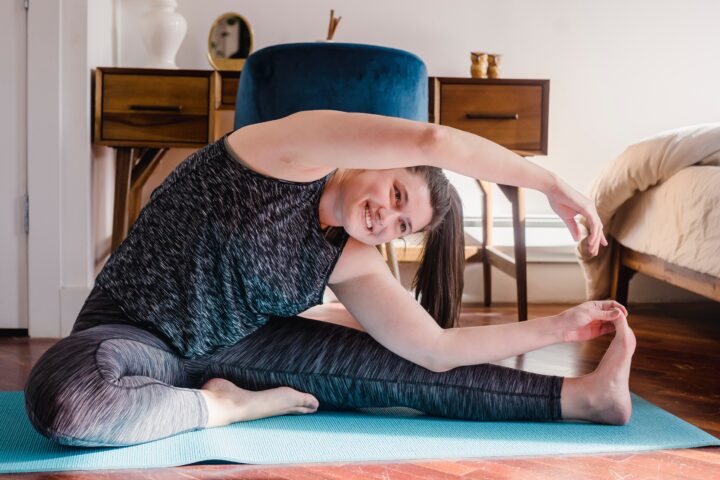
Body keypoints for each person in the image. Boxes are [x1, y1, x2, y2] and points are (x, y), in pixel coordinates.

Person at [24, 110, 635, 448]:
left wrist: (558, 326)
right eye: (396, 193)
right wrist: (551, 184)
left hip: (240, 347)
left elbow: (436, 349)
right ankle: (224, 409)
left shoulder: (350, 256)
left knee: (406, 373)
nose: (386, 219)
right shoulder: (284, 155)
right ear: (377, 157)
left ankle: (585, 400)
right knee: (70, 397)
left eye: (401, 226)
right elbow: (434, 138)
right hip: (136, 335)